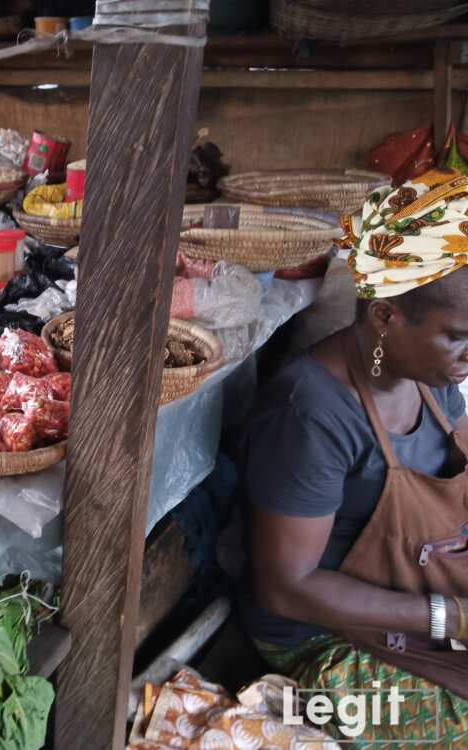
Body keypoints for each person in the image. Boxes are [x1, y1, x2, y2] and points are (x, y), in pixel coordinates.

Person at [239, 169, 468, 745]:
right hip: (319, 642)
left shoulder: (432, 376)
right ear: (386, 315)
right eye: (459, 335)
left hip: (414, 600)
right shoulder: (311, 413)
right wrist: (447, 616)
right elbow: (285, 588)